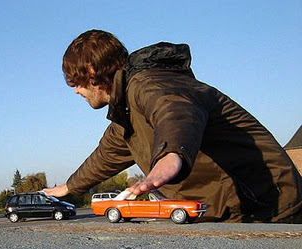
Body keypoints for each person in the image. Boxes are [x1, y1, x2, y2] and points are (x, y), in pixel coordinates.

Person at [43, 29, 302, 223]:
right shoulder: (126, 115)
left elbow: (174, 110)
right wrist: (68, 188)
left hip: (272, 205)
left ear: (91, 71)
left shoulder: (150, 83)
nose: (76, 91)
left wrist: (171, 155)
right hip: (237, 211)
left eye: (75, 82)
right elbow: (103, 158)